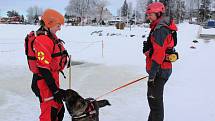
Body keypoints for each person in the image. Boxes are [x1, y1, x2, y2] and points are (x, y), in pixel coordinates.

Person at [27, 9, 69, 121]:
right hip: (44, 82)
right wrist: (55, 90)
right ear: (49, 23)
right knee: (49, 114)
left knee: (59, 110)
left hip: (52, 78)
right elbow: (43, 68)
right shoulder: (42, 40)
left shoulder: (50, 37)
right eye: (58, 25)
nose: (60, 28)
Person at [143, 2, 178, 121]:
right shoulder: (159, 27)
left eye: (150, 14)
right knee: (154, 102)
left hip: (159, 70)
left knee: (155, 102)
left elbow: (159, 53)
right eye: (148, 15)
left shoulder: (160, 29)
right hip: (160, 69)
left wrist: (152, 76)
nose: (148, 17)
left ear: (158, 14)